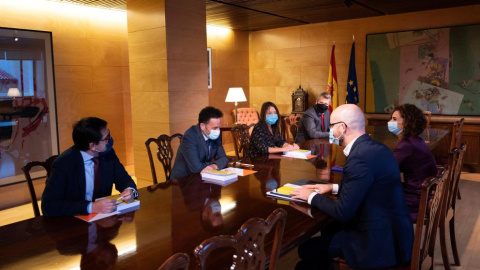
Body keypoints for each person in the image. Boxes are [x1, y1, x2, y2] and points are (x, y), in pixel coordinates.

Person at [291, 104, 413, 269]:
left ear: (342, 127)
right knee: (330, 228)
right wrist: (332, 188)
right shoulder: (377, 148)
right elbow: (366, 187)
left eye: (331, 127)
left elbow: (343, 213)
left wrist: (310, 196)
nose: (330, 131)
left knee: (306, 249)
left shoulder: (359, 158)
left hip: (377, 244)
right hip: (395, 233)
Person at [42, 117, 137, 217]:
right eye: (106, 138)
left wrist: (130, 190)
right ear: (92, 146)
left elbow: (124, 180)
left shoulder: (108, 154)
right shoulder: (64, 163)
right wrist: (92, 207)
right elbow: (48, 206)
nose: (110, 140)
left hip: (104, 221)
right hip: (73, 224)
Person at [389, 104, 437, 222]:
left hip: (416, 199)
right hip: (425, 193)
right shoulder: (417, 140)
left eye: (394, 119)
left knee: (373, 200)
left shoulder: (406, 145)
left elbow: (387, 169)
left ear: (407, 123)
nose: (390, 122)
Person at [170, 106, 229, 179]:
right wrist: (216, 164)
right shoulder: (189, 137)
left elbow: (224, 158)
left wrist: (213, 166)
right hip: (183, 181)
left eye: (219, 127)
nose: (218, 131)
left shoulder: (214, 136)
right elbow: (196, 168)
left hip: (202, 178)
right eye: (215, 128)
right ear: (202, 126)